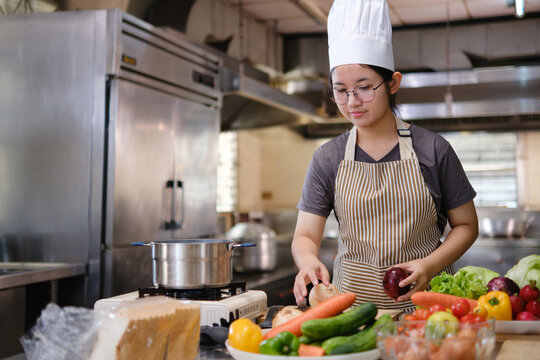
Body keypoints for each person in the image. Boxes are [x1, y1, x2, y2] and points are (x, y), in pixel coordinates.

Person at [291, 0, 478, 311]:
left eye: (364, 87)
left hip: (427, 310)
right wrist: (308, 260)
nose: (352, 102)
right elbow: (305, 235)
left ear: (393, 83)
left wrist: (429, 265)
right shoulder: (328, 158)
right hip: (351, 314)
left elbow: (467, 226)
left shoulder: (433, 150)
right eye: (340, 90)